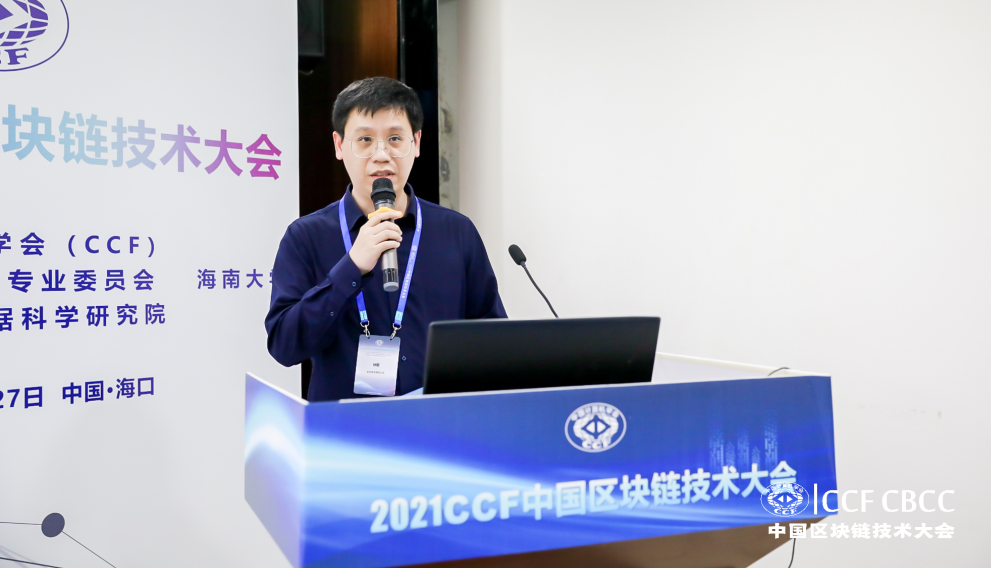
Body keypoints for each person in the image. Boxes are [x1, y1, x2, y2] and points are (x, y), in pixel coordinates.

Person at [266, 77, 506, 401]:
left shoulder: (456, 232)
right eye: (365, 140)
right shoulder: (305, 236)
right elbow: (284, 346)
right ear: (339, 146)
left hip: (438, 423)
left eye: (395, 138)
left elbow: (492, 341)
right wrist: (351, 268)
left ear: (416, 143)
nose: (381, 155)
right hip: (345, 427)